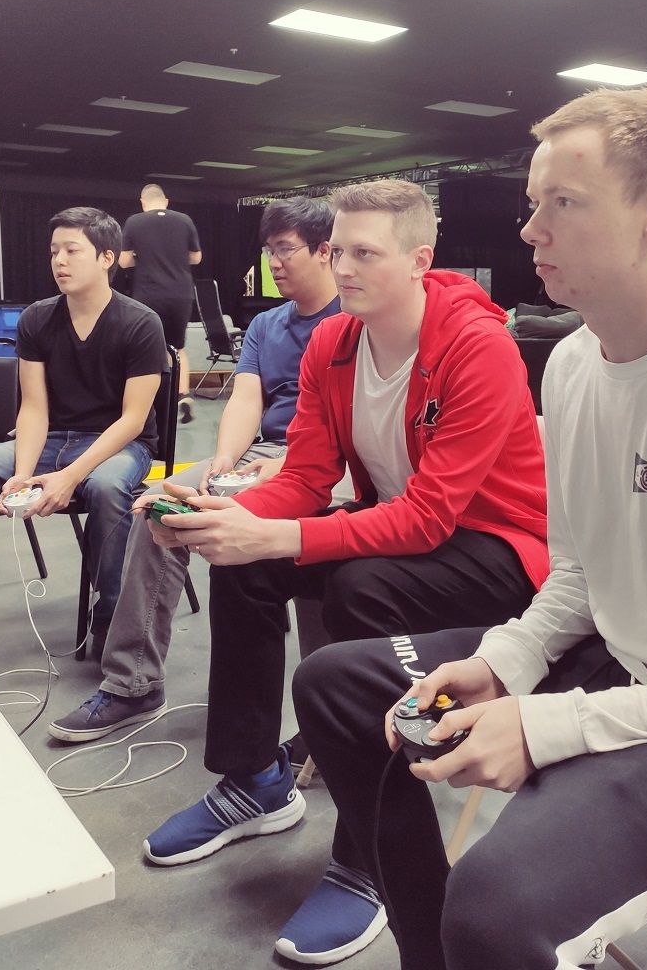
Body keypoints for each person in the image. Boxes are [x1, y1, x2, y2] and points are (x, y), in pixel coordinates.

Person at [292, 88, 647, 970]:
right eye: (534, 203)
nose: (530, 230)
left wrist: (552, 726)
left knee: (496, 907)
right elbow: (582, 569)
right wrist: (507, 662)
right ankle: (430, 950)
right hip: (630, 663)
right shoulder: (570, 364)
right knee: (338, 682)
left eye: (563, 203)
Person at [137, 178, 550, 966]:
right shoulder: (333, 343)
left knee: (361, 584)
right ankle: (254, 779)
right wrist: (227, 513)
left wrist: (280, 534)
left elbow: (430, 518)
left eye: (366, 252)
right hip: (405, 532)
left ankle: (367, 861)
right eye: (338, 251)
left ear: (419, 260)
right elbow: (305, 476)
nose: (345, 267)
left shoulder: (477, 345)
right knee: (247, 560)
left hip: (500, 548)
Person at [47, 195, 341, 740]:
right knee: (159, 505)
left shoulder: (352, 320)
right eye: (269, 251)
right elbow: (246, 400)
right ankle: (133, 683)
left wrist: (281, 467)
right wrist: (225, 459)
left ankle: (330, 714)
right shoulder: (267, 325)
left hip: (328, 462)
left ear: (325, 251)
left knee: (295, 536)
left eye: (285, 250)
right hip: (261, 455)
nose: (274, 263)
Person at [0, 207, 165, 657]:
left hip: (119, 443)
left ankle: (111, 621)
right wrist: (21, 473)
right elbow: (34, 408)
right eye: (54, 251)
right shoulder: (36, 319)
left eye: (72, 250)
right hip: (51, 439)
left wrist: (70, 476)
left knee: (107, 487)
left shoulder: (140, 322)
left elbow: (133, 420)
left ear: (107, 258)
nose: (59, 260)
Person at [119, 183, 202, 420]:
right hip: (180, 294)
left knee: (148, 348)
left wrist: (143, 256)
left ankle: (153, 399)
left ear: (143, 203)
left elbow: (123, 262)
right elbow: (196, 257)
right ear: (166, 201)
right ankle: (183, 394)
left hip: (148, 295)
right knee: (178, 347)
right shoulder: (184, 220)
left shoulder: (135, 222)